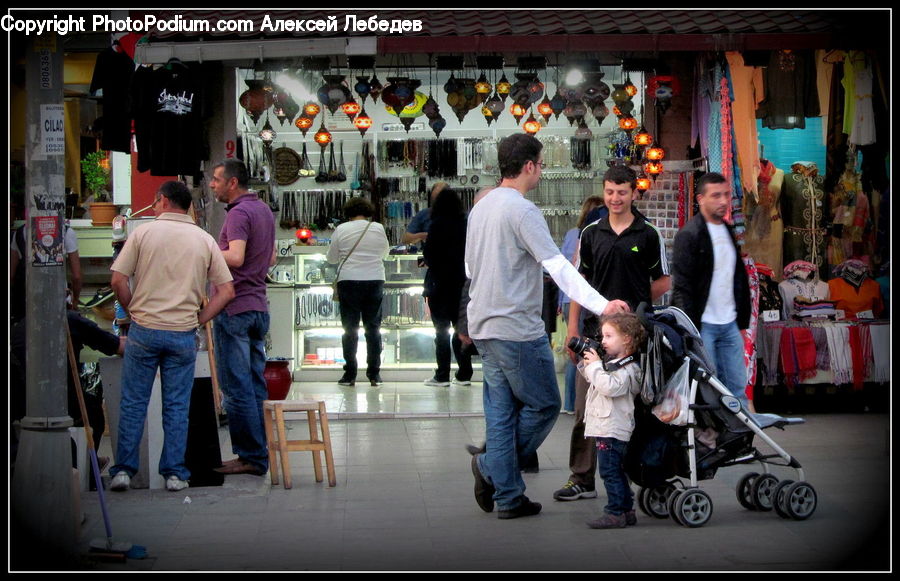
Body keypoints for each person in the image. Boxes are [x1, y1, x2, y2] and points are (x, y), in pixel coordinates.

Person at [465, 134, 628, 520]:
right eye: (540, 163)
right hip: (515, 328)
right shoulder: (523, 211)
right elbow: (557, 268)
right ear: (528, 167)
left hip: (484, 324)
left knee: (501, 414)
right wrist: (604, 305)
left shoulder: (481, 208)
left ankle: (508, 497)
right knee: (544, 405)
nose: (542, 169)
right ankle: (491, 468)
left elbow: (469, 269)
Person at [108, 180, 234, 492]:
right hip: (182, 334)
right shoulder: (204, 240)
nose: (153, 207)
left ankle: (123, 471)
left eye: (154, 202)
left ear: (163, 201)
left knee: (134, 402)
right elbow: (227, 290)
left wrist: (132, 309)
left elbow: (117, 280)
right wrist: (200, 318)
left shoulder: (143, 233)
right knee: (177, 406)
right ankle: (175, 473)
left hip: (144, 331)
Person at [554, 165, 670, 502]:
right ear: (603, 192)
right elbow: (579, 284)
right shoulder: (590, 233)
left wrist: (636, 311)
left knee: (637, 409)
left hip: (635, 339)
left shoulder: (648, 233)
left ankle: (641, 475)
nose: (615, 198)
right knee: (584, 408)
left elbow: (663, 279)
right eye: (609, 192)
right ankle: (581, 478)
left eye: (622, 192)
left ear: (635, 193)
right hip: (593, 336)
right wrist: (572, 327)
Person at [209, 159, 278, 478]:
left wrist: (203, 249)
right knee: (254, 383)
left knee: (236, 388)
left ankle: (251, 455)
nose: (212, 184)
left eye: (216, 179)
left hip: (235, 307)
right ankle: (259, 451)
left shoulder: (238, 213)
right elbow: (272, 256)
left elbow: (235, 257)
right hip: (257, 306)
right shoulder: (263, 210)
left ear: (233, 183)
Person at [672, 172, 751, 408]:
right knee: (709, 389)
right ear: (700, 199)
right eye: (716, 196)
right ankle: (711, 440)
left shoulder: (727, 230)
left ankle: (739, 440)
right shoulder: (689, 235)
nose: (724, 201)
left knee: (737, 387)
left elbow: (737, 277)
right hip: (703, 325)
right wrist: (688, 330)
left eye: (726, 195)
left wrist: (742, 322)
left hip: (729, 323)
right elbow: (683, 286)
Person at [580, 312, 647, 529]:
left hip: (612, 429)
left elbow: (609, 386)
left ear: (626, 338)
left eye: (609, 336)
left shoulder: (629, 368)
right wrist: (588, 363)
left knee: (610, 472)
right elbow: (599, 381)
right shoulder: (614, 364)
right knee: (616, 471)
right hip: (607, 427)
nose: (603, 341)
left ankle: (615, 512)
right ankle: (626, 510)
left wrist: (596, 366)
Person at [326, 196, 390, 387]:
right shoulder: (377, 228)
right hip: (374, 280)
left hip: (349, 281)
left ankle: (349, 375)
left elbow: (332, 259)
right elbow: (385, 253)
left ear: (348, 213)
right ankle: (374, 374)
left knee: (350, 329)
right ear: (367, 211)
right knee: (373, 329)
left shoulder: (341, 229)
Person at [421, 187, 473, 387]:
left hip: (439, 285)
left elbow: (430, 255)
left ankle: (442, 374)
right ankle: (464, 373)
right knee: (461, 329)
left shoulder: (436, 225)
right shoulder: (466, 225)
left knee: (441, 331)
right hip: (462, 284)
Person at [558, 195, 605, 413]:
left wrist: (560, 300)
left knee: (575, 353)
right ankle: (579, 403)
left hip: (570, 299)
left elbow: (565, 271)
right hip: (585, 301)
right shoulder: (587, 237)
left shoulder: (571, 235)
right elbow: (577, 275)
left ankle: (570, 403)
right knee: (582, 352)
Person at [10, 220, 82, 322]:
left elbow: (11, 275)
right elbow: (77, 276)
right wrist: (75, 301)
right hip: (58, 299)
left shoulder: (20, 232)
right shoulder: (66, 232)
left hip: (27, 301)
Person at [400, 181, 448, 247]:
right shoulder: (423, 215)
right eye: (433, 199)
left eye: (439, 199)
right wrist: (423, 236)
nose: (436, 203)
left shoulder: (459, 216)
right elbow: (406, 239)